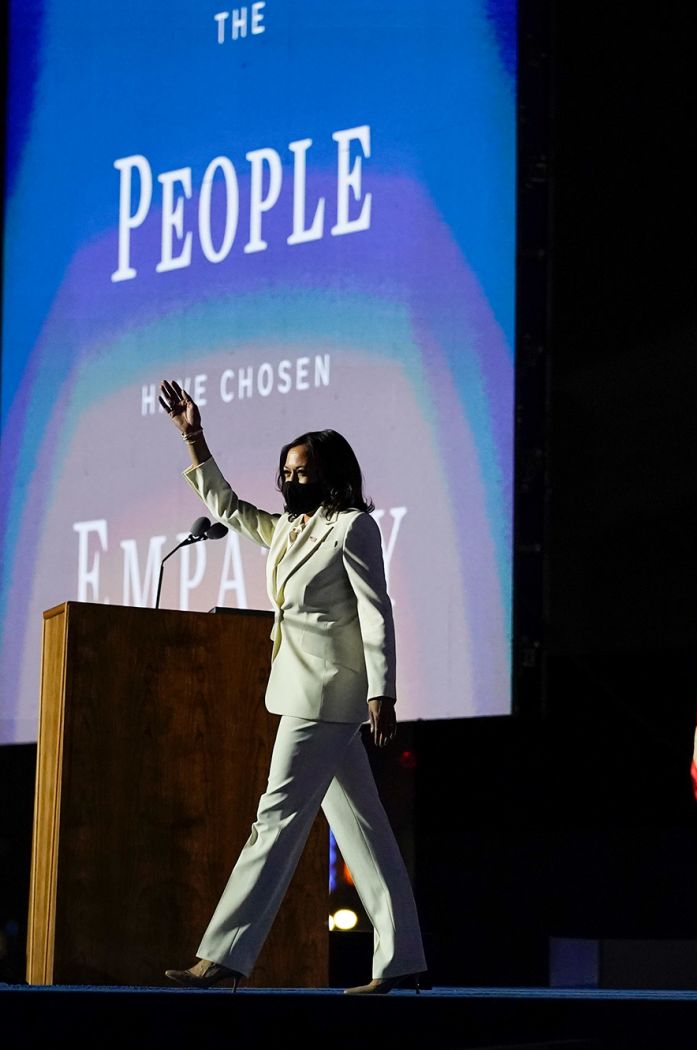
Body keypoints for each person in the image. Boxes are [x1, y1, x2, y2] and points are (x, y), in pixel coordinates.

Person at [156, 378, 427, 996]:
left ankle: (222, 958)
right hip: (303, 691)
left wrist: (382, 692)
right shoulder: (286, 531)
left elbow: (375, 611)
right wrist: (195, 438)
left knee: (274, 820)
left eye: (301, 472)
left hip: (330, 695)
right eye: (284, 471)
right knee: (365, 830)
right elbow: (226, 506)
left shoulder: (353, 527)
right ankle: (403, 961)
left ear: (329, 474)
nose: (288, 480)